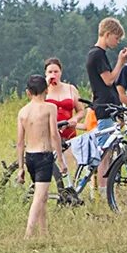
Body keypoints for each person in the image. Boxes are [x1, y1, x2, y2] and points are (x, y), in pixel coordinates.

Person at [16, 75, 64, 238]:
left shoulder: (23, 112)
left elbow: (20, 142)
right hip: (44, 155)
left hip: (30, 156)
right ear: (46, 90)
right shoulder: (49, 108)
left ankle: (44, 232)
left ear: (28, 92)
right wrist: (62, 161)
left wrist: (20, 167)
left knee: (42, 196)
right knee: (39, 197)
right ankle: (28, 233)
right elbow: (54, 134)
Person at [86, 17, 127, 189]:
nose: (117, 42)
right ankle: (102, 189)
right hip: (104, 107)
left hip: (108, 106)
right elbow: (109, 80)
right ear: (107, 34)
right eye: (116, 38)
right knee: (105, 152)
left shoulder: (98, 54)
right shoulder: (97, 54)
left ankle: (102, 187)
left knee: (108, 150)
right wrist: (121, 62)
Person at [44, 58, 85, 143]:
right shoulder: (43, 91)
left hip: (69, 132)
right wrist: (45, 85)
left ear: (60, 72)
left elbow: (81, 110)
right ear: (46, 74)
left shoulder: (71, 88)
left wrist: (75, 119)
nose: (53, 75)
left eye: (56, 72)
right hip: (49, 133)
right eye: (50, 72)